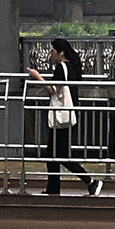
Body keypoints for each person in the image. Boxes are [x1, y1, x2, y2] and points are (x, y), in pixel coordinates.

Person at [41, 34, 87, 194]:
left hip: (62, 114)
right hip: (69, 113)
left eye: (52, 51)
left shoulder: (62, 68)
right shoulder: (71, 67)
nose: (51, 54)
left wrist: (37, 77)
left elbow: (53, 89)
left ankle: (90, 181)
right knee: (55, 153)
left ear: (61, 53)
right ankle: (53, 187)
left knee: (57, 154)